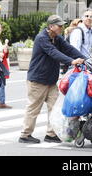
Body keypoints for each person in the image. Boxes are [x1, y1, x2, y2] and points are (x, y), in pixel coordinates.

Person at [19, 15, 86, 144]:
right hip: (38, 80)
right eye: (59, 26)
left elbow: (69, 49)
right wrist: (72, 61)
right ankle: (25, 135)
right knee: (34, 108)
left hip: (51, 80)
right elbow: (54, 53)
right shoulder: (42, 38)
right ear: (51, 27)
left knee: (55, 108)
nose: (62, 28)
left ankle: (51, 134)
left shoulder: (57, 38)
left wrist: (86, 59)